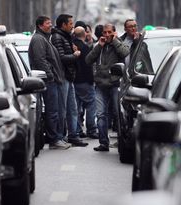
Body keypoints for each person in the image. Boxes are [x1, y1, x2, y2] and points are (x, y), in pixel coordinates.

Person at [28, 16, 71, 150]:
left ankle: (57, 137)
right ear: (40, 26)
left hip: (54, 80)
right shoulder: (38, 40)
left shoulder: (44, 38)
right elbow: (40, 60)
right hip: (49, 81)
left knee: (56, 110)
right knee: (52, 111)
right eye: (48, 23)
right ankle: (54, 139)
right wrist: (50, 75)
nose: (51, 25)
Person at [85, 24, 129, 152]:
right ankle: (103, 143)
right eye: (105, 32)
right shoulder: (99, 45)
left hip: (115, 84)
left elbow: (125, 53)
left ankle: (121, 141)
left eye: (110, 32)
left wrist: (115, 41)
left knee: (117, 114)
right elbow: (88, 60)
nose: (107, 34)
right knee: (101, 115)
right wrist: (99, 46)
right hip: (100, 85)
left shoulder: (119, 44)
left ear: (114, 32)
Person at [51, 14, 88, 147]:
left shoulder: (66, 36)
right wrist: (75, 55)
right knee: (62, 109)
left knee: (73, 108)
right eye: (70, 23)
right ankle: (59, 137)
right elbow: (61, 58)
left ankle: (73, 135)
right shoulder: (57, 37)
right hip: (62, 77)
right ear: (63, 25)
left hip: (69, 77)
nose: (72, 26)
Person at [72, 26, 98, 139]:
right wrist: (91, 80)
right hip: (85, 81)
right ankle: (91, 129)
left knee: (76, 107)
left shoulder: (72, 46)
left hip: (74, 81)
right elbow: (88, 66)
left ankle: (77, 130)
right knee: (91, 105)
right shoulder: (85, 48)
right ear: (84, 35)